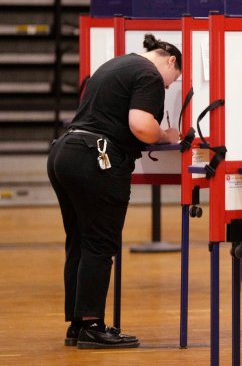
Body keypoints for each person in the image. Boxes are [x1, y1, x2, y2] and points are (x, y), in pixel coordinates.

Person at [47, 33, 182, 349]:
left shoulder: (115, 64)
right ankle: (93, 326)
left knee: (80, 241)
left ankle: (78, 325)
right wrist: (166, 135)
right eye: (172, 82)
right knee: (99, 243)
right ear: (170, 61)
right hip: (96, 159)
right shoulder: (149, 74)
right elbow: (141, 125)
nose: (167, 88)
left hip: (65, 152)